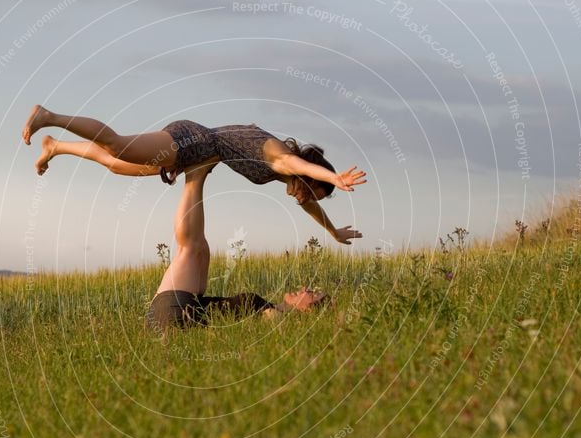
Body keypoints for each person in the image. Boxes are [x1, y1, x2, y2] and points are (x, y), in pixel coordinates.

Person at [22, 104, 364, 245]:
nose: (303, 199)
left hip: (196, 153)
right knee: (117, 146)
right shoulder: (282, 160)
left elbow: (308, 205)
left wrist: (332, 231)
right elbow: (301, 168)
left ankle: (55, 146)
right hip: (193, 140)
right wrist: (335, 179)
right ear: (307, 180)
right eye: (310, 191)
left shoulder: (284, 177)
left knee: (114, 164)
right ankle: (48, 116)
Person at [146, 160, 329, 334]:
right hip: (174, 314)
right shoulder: (272, 309)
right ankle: (196, 173)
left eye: (313, 295)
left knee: (192, 249)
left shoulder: (276, 317)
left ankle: (196, 173)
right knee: (199, 251)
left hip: (176, 315)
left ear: (308, 311)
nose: (306, 288)